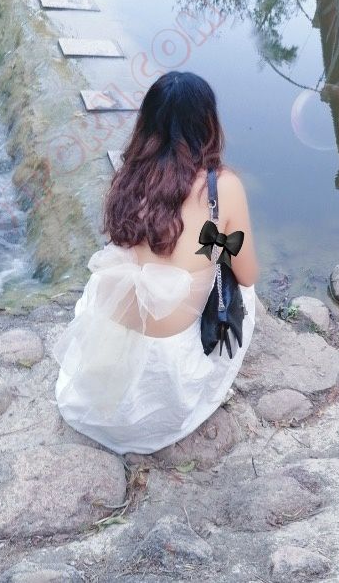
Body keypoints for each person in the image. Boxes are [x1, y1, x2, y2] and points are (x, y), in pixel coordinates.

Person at [51, 71, 259, 455]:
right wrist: (212, 253)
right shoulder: (221, 186)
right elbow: (247, 275)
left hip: (115, 343)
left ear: (146, 121)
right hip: (168, 363)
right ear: (208, 123)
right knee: (238, 279)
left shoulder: (128, 176)